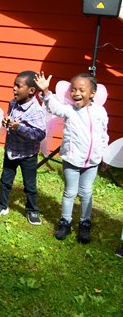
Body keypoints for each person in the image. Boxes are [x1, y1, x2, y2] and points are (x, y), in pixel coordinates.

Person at [35, 72, 108, 243]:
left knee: (86, 192)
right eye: (73, 90)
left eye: (81, 90)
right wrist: (46, 91)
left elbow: (103, 134)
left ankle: (84, 223)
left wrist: (103, 155)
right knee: (69, 192)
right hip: (72, 159)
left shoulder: (100, 112)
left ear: (93, 93)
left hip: (92, 161)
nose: (76, 93)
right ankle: (65, 222)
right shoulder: (69, 110)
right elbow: (54, 107)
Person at [0, 71, 46, 224]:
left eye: (18, 86)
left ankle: (32, 210)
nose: (14, 88)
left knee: (30, 185)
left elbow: (40, 134)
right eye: (14, 85)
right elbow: (12, 121)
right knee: (5, 180)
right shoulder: (13, 103)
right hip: (11, 150)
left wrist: (19, 128)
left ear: (31, 91)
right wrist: (7, 122)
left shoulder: (36, 110)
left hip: (28, 155)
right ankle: (2, 204)